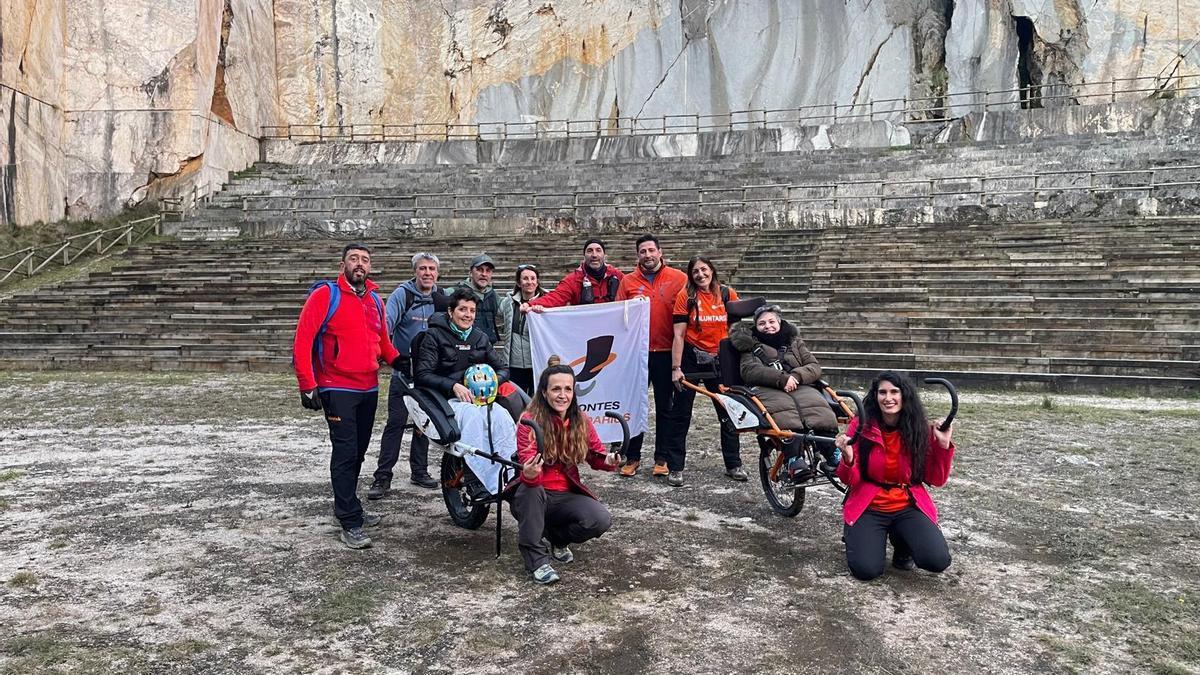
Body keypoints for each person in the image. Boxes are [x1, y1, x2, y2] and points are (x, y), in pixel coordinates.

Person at [291, 243, 402, 550]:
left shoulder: (376, 300)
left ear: (370, 266)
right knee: (345, 451)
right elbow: (303, 340)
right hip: (336, 386)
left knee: (358, 451)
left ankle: (348, 503)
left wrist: (398, 360)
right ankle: (349, 520)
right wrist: (307, 383)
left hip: (368, 387)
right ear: (343, 264)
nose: (359, 264)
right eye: (354, 259)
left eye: (365, 260)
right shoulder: (325, 295)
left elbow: (382, 342)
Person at [835, 371, 956, 581]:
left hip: (906, 505)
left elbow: (936, 479)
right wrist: (848, 458)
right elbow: (849, 479)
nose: (888, 398)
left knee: (937, 561)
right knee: (866, 570)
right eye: (882, 392)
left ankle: (903, 545)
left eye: (894, 392)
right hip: (870, 505)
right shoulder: (861, 426)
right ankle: (860, 536)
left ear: (904, 395)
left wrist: (943, 446)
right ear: (875, 396)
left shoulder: (919, 428)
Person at [511, 355, 620, 585]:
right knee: (531, 491)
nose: (562, 395)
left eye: (568, 389)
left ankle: (557, 539)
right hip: (534, 492)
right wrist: (529, 473)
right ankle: (537, 562)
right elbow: (528, 463)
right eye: (556, 389)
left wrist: (609, 460)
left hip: (565, 493)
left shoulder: (581, 420)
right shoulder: (529, 421)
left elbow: (596, 455)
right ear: (544, 392)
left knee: (600, 519)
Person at [729, 304, 839, 479]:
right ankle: (794, 460)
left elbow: (814, 366)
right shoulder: (749, 346)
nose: (768, 326)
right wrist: (781, 379)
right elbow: (749, 370)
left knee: (819, 412)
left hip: (798, 384)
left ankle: (833, 454)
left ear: (780, 323)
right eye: (762, 323)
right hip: (767, 387)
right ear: (756, 327)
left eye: (772, 321)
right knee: (786, 415)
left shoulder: (794, 342)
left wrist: (796, 376)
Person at [614, 234, 688, 484]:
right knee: (634, 407)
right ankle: (632, 457)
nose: (647, 255)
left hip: (667, 353)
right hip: (638, 353)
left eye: (651, 250)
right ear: (638, 256)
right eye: (642, 252)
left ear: (660, 252)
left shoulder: (679, 278)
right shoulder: (628, 281)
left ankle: (662, 458)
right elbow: (617, 316)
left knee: (665, 407)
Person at [371, 252, 443, 498]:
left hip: (429, 372)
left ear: (437, 273)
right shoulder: (403, 295)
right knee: (396, 423)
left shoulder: (440, 297)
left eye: (432, 269)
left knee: (424, 423)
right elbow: (385, 325)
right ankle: (382, 477)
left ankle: (419, 471)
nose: (427, 273)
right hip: (404, 370)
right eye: (422, 268)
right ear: (415, 271)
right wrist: (390, 356)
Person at [669, 256, 744, 483]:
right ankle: (675, 467)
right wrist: (676, 368)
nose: (700, 275)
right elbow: (679, 335)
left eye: (704, 269)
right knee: (681, 414)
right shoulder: (686, 296)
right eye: (695, 272)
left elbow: (737, 327)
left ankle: (734, 464)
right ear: (690, 275)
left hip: (720, 359)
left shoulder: (726, 294)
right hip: (692, 356)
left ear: (712, 269)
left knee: (727, 412)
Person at [414, 287, 509, 402]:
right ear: (450, 311)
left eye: (472, 311)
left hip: (479, 396)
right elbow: (423, 374)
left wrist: (490, 381)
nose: (468, 315)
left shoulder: (481, 338)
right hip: (446, 398)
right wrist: (453, 385)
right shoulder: (434, 335)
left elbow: (503, 369)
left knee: (503, 414)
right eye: (463, 309)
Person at [521, 238, 624, 313]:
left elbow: (633, 289)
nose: (594, 255)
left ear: (604, 255)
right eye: (589, 251)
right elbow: (556, 297)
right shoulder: (573, 280)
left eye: (598, 250)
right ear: (584, 256)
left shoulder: (618, 276)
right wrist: (530, 304)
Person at [497, 264, 547, 395]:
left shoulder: (547, 301)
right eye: (525, 278)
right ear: (519, 283)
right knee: (516, 401)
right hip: (513, 363)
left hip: (537, 362)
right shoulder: (508, 302)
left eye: (532, 278)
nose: (529, 282)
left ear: (537, 282)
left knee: (538, 401)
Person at [455, 254, 505, 351]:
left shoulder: (493, 295)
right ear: (470, 272)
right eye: (479, 270)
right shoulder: (455, 292)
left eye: (488, 271)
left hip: (488, 348)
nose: (484, 274)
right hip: (464, 348)